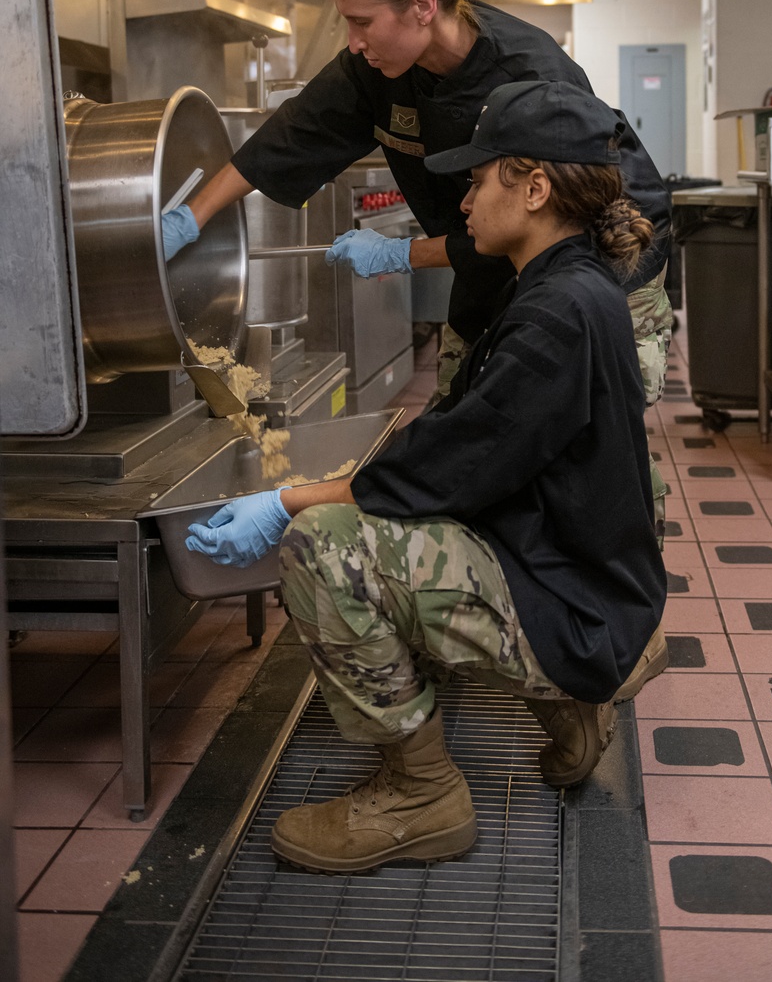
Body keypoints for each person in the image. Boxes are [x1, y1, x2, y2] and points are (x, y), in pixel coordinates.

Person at [186, 80, 669, 874]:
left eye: (479, 180)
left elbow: (441, 472)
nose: (465, 199)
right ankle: (567, 703)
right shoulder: (562, 282)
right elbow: (470, 445)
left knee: (325, 544)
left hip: (582, 605)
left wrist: (284, 500)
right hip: (577, 571)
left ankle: (423, 795)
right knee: (375, 507)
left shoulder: (557, 314)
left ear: (536, 188)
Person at [160, 0, 673, 412]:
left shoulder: (528, 78)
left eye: (363, 22)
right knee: (463, 407)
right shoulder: (376, 66)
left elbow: (537, 229)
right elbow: (292, 135)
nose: (353, 42)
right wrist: (192, 218)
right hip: (487, 258)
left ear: (424, 5)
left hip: (598, 263)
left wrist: (401, 255)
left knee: (572, 426)